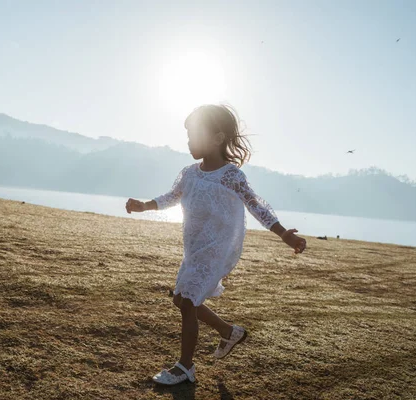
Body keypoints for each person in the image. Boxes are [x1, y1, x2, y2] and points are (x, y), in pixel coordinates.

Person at [125, 104, 307, 385]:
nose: (189, 141)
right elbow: (172, 196)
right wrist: (144, 205)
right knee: (181, 298)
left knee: (187, 302)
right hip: (194, 248)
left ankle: (185, 368)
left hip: (217, 248)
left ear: (218, 138)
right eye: (187, 135)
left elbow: (256, 206)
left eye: (195, 134)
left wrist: (285, 235)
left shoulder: (231, 176)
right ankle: (229, 331)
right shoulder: (189, 173)